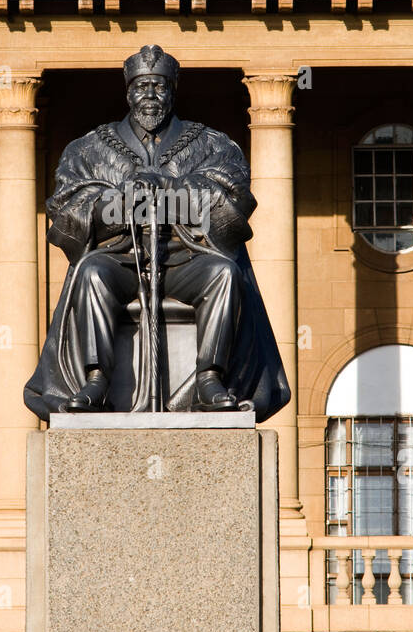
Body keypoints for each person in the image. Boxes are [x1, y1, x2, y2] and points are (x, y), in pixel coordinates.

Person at [24, 44, 290, 420]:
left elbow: (234, 203)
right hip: (120, 257)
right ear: (128, 91)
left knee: (225, 274)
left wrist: (171, 190)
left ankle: (210, 377)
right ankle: (97, 377)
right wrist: (116, 203)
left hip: (186, 257)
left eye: (159, 87)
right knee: (90, 273)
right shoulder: (89, 149)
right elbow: (66, 212)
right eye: (142, 86)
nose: (150, 95)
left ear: (173, 91)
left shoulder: (211, 144)